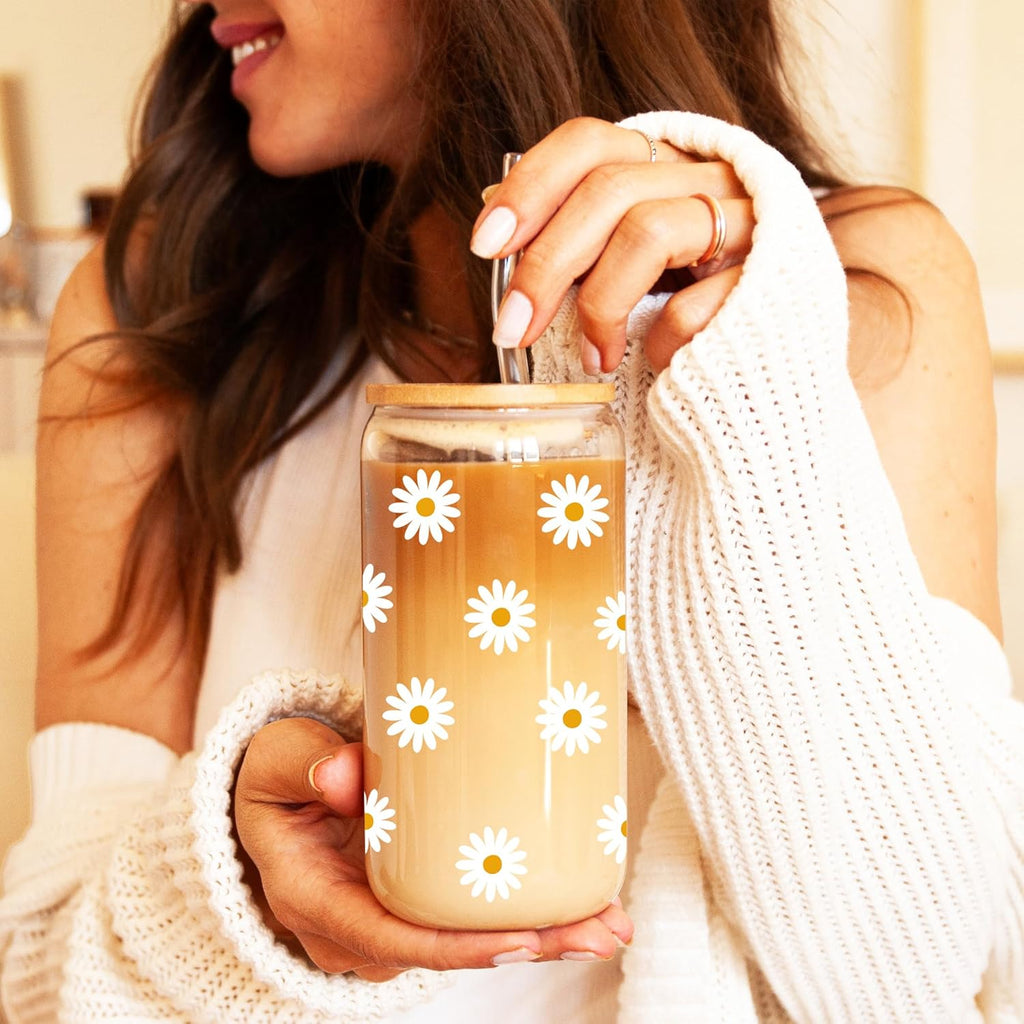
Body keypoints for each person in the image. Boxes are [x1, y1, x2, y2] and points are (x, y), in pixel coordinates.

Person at [1, 0, 1021, 1019]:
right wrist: (223, 874)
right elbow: (37, 973)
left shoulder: (850, 287)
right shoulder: (160, 312)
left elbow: (918, 979)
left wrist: (739, 395)